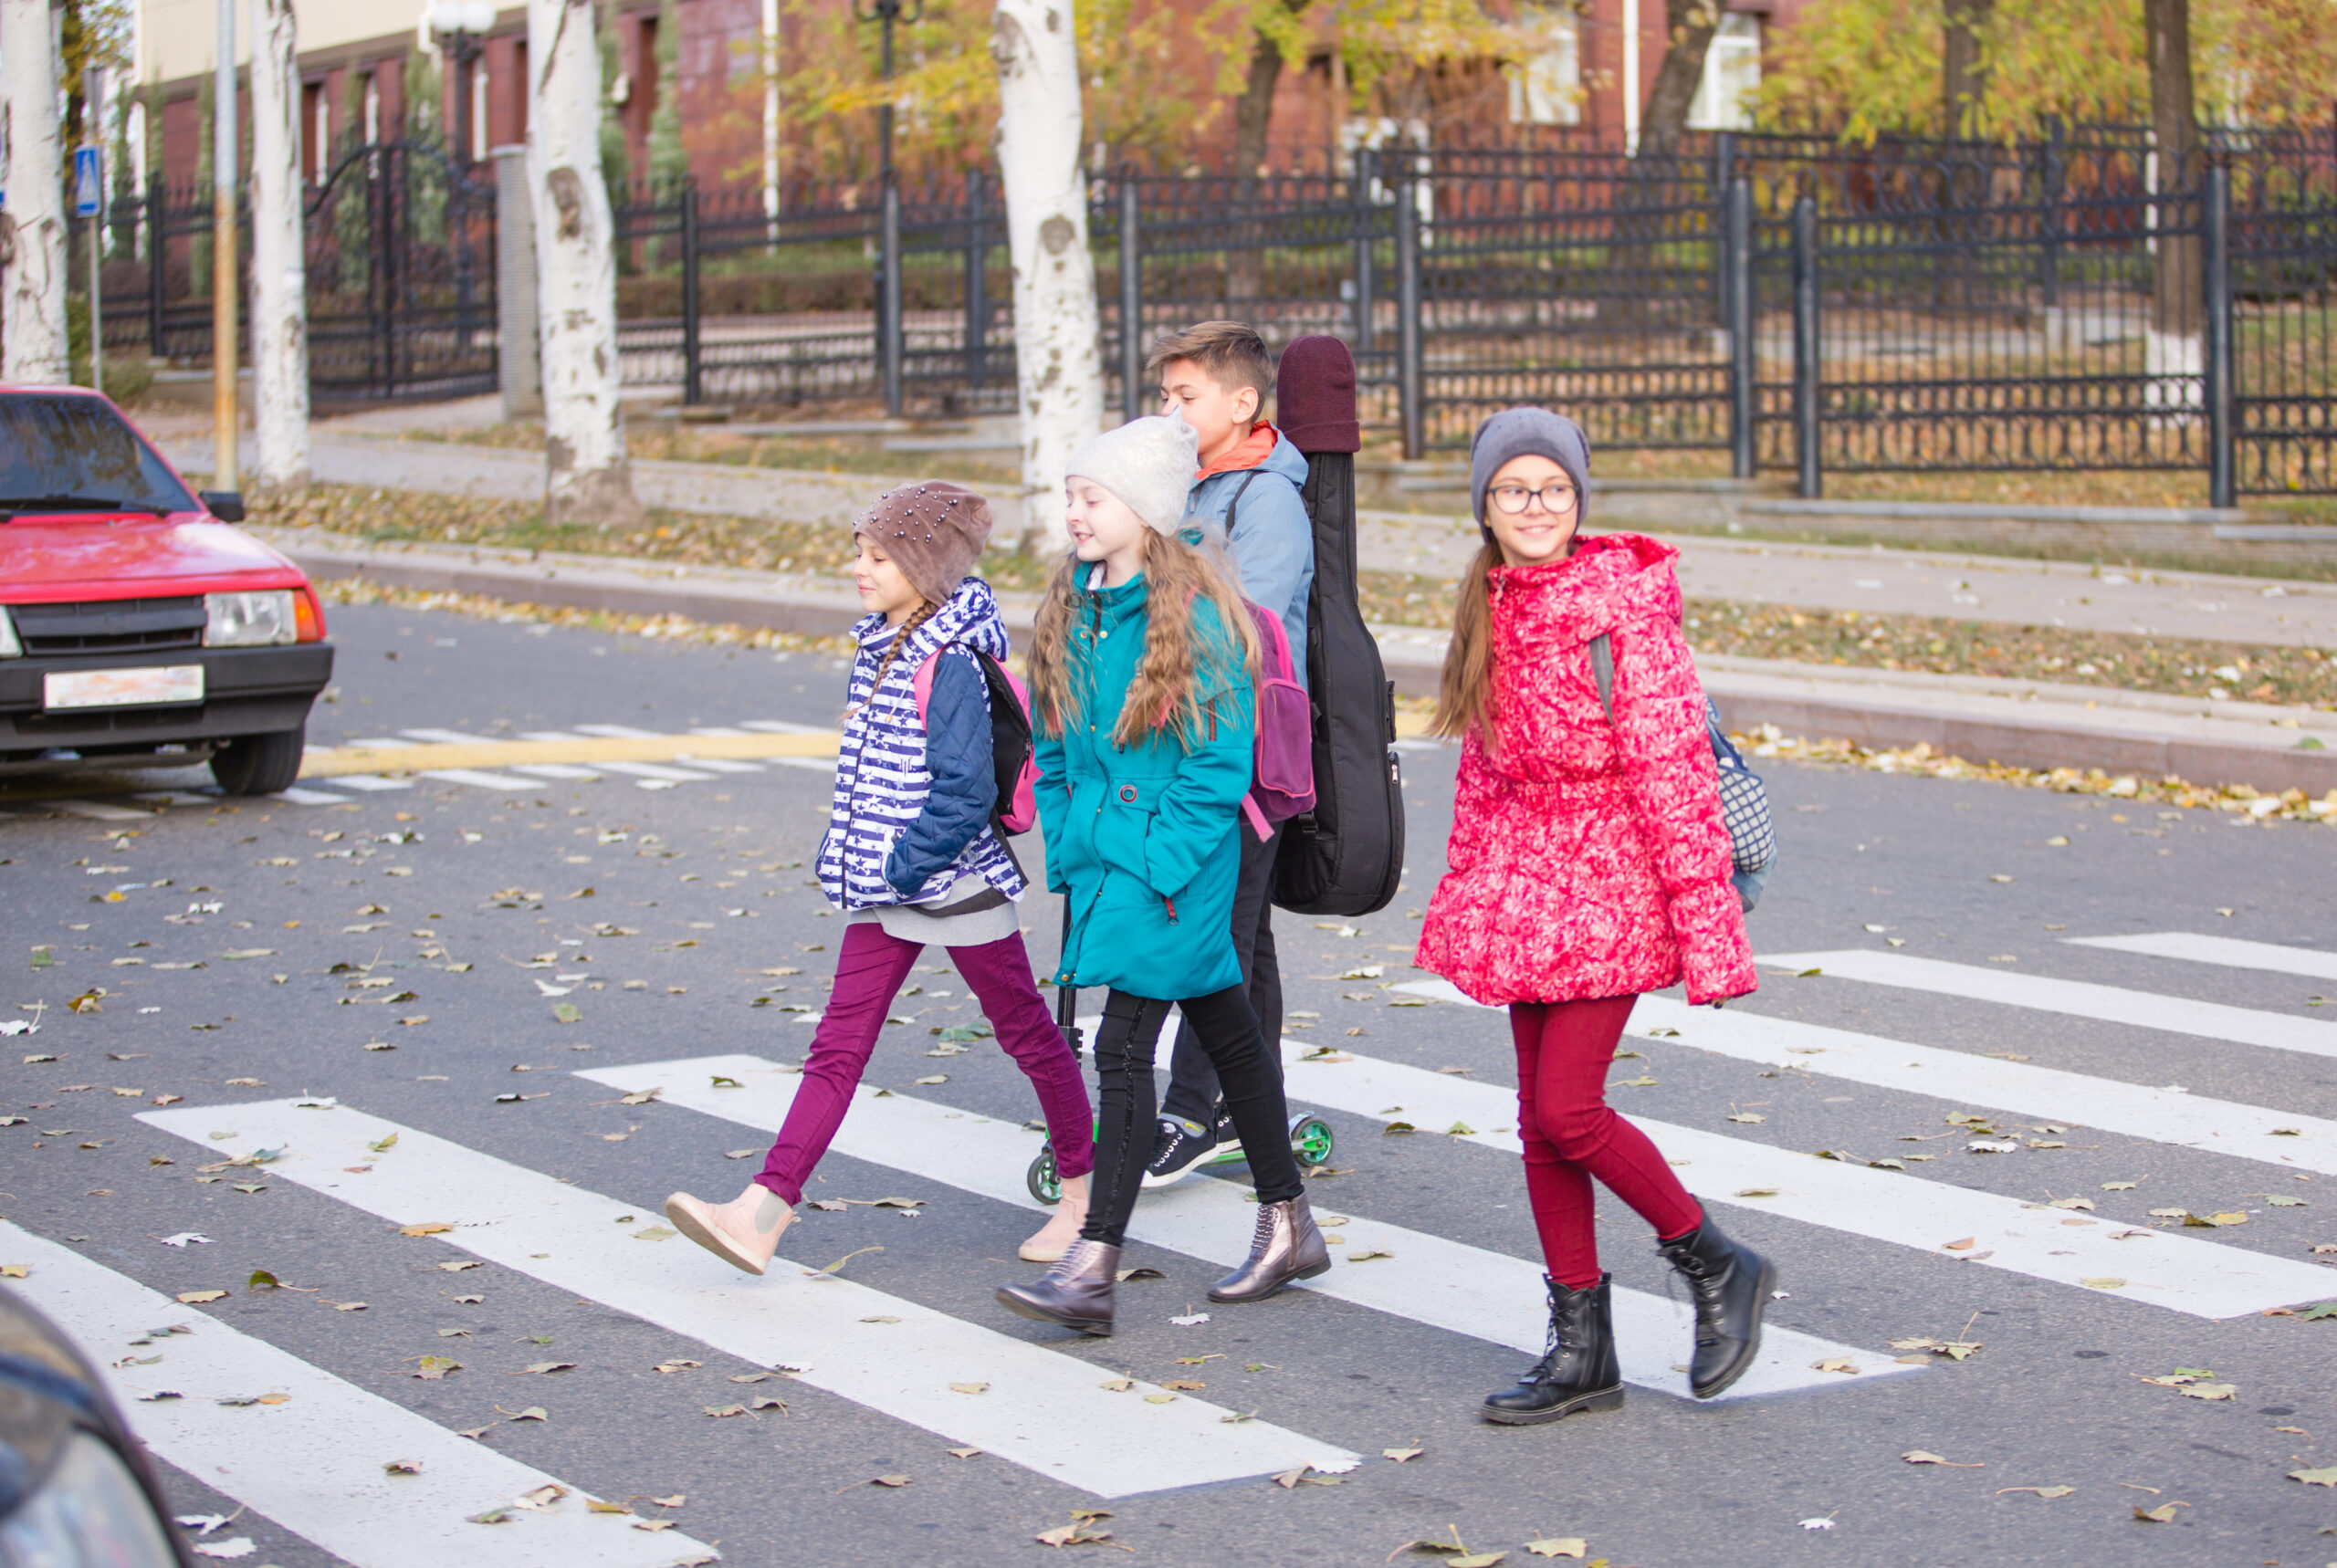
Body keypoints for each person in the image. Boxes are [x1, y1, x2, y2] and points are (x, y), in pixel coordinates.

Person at [1416, 408, 1772, 1422]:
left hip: (1615, 880)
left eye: (1554, 489)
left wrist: (1709, 932)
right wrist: (1471, 888)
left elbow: (1673, 776)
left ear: (1580, 500)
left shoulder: (1622, 608)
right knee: (1538, 1124)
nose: (1535, 507)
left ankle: (1715, 1259)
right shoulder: (1490, 603)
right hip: (1527, 889)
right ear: (1484, 505)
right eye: (1513, 490)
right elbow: (1484, 773)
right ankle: (1581, 1351)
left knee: (1571, 1109)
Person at [664, 482, 1095, 1274]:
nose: (857, 569)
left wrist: (905, 865)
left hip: (951, 884)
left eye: (877, 557)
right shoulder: (889, 642)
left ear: (925, 569)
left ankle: (1084, 1194)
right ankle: (764, 1211)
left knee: (1027, 1034)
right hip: (887, 887)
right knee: (839, 1045)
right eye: (860, 553)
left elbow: (964, 789)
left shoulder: (952, 662)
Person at [994, 413, 1329, 1337]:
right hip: (1109, 864)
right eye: (1069, 494)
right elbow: (1054, 747)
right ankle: (1290, 1220)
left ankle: (1092, 1264)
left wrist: (1151, 861)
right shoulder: (1074, 606)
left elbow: (1216, 770)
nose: (1073, 511)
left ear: (1141, 510)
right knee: (1226, 1030)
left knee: (1121, 1047)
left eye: (1091, 496)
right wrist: (1069, 843)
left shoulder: (1201, 617)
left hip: (1175, 869)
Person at [1143, 320, 1315, 1187]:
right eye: (1164, 396)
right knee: (1247, 937)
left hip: (1237, 755)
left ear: (1241, 403)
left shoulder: (1264, 499)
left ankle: (1193, 1110)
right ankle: (1258, 1110)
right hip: (1183, 745)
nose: (1169, 411)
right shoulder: (1188, 488)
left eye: (1187, 396)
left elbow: (1258, 630)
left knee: (1216, 937)